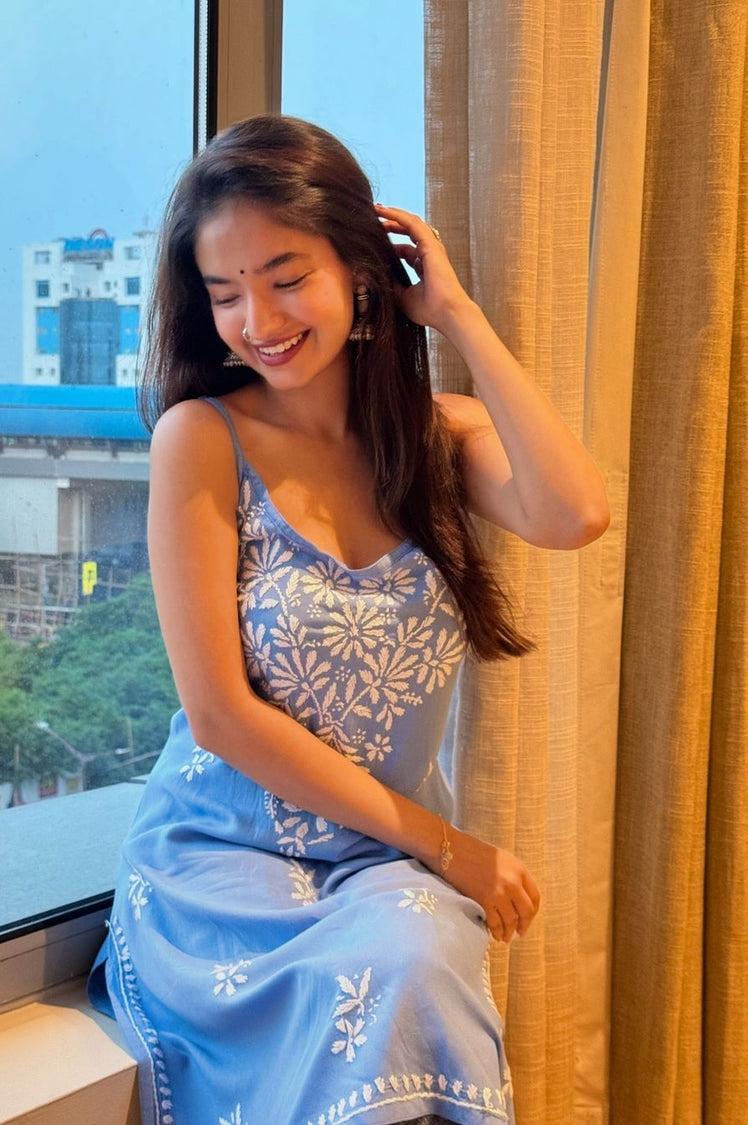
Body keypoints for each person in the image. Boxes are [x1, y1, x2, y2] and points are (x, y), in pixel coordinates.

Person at [89, 114, 609, 1125]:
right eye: (225, 292)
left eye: (286, 278)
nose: (258, 319)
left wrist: (455, 315)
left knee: (413, 953)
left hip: (375, 864)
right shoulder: (202, 437)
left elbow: (576, 513)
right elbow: (221, 717)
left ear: (361, 272)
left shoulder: (438, 440)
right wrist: (452, 849)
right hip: (224, 861)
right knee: (401, 965)